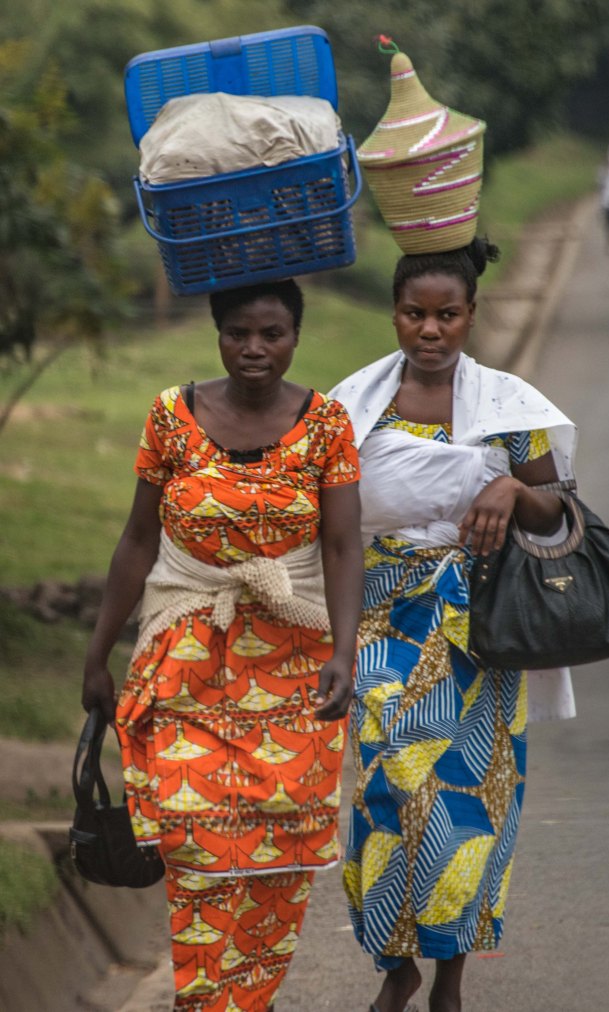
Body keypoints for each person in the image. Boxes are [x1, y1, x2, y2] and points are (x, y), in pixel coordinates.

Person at [81, 279, 364, 1012]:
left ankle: (245, 1002)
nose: (254, 349)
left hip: (296, 661)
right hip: (186, 657)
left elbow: (340, 546)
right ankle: (205, 1001)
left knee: (281, 855)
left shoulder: (328, 423)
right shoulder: (172, 417)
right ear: (217, 334)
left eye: (271, 333)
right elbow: (139, 538)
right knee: (192, 842)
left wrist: (344, 652)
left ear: (295, 336)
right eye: (239, 332)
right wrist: (99, 652)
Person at [330, 240, 577, 1012]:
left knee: (469, 800)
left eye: (447, 315)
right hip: (382, 619)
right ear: (394, 314)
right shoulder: (355, 406)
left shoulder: (510, 410)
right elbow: (332, 516)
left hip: (480, 630)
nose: (430, 330)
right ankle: (395, 962)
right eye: (415, 313)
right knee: (389, 789)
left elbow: (561, 510)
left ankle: (449, 978)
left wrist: (508, 487)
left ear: (472, 316)